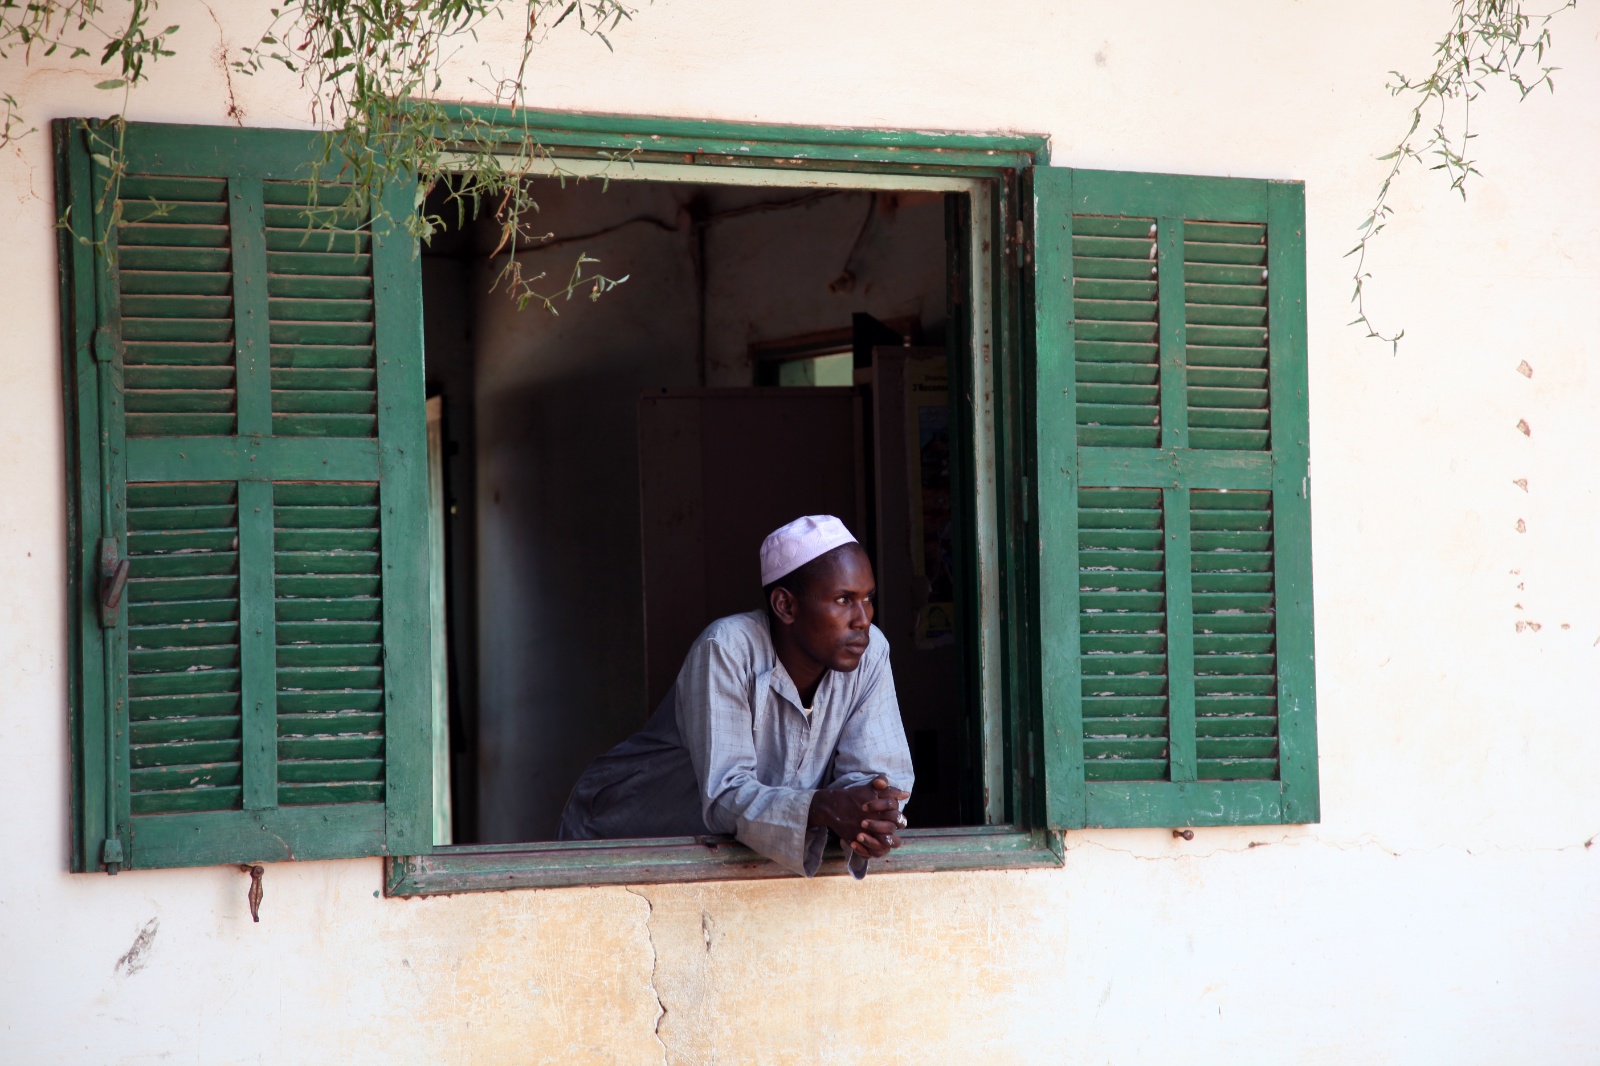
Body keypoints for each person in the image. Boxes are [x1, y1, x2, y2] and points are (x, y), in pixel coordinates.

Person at [558, 515, 914, 878]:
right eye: (843, 599)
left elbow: (877, 778)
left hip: (726, 855)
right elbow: (726, 793)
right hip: (621, 840)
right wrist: (824, 807)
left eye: (868, 599)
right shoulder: (727, 648)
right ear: (785, 606)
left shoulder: (870, 652)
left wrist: (871, 814)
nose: (863, 619)